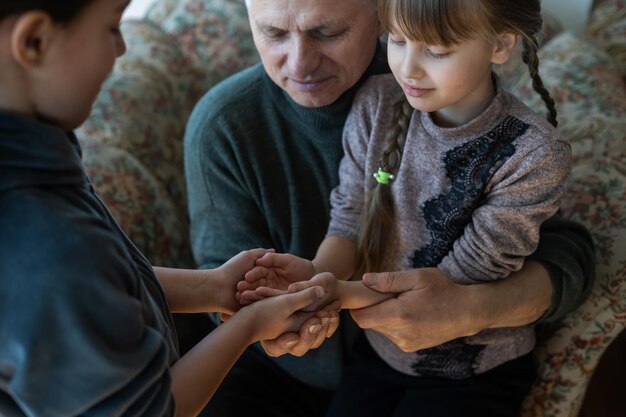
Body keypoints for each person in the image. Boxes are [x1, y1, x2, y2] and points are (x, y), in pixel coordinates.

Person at [184, 0, 595, 416]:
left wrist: (334, 293)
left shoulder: (514, 142)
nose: (301, 64)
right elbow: (343, 223)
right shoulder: (368, 106)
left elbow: (518, 261)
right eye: (273, 33)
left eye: (327, 32)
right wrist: (312, 281)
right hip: (339, 365)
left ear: (374, 16)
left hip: (467, 370)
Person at [0, 2, 335, 416]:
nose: (122, 48)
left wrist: (213, 288)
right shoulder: (47, 245)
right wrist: (250, 325)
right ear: (34, 42)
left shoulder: (37, 154)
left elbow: (105, 284)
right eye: (111, 28)